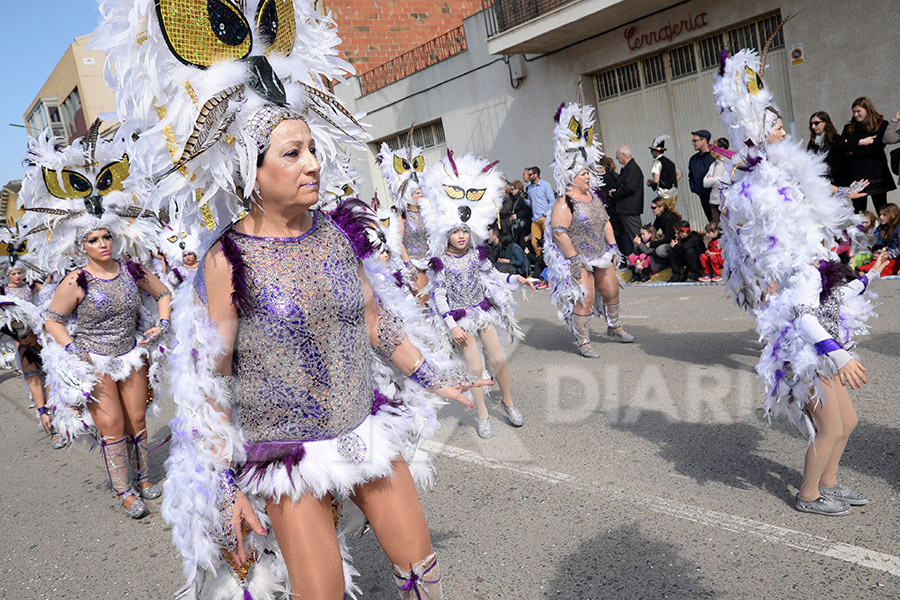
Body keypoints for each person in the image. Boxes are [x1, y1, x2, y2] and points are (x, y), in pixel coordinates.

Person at [715, 43, 884, 516]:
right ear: (752, 131)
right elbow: (746, 241)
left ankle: (827, 483)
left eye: (779, 121)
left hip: (813, 301)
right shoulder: (750, 191)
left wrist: (841, 200)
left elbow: (812, 193)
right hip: (797, 325)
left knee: (845, 421)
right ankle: (808, 495)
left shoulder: (784, 177)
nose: (782, 129)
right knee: (831, 424)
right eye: (771, 124)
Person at [44, 227, 172, 518]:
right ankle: (124, 491)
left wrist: (162, 324)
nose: (102, 244)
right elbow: (53, 320)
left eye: (106, 237)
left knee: (136, 418)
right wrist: (73, 350)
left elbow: (163, 292)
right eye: (93, 240)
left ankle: (142, 477)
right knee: (112, 424)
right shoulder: (77, 280)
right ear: (82, 246)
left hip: (129, 354)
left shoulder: (132, 270)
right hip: (94, 361)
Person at [422, 150, 533, 439]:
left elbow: (493, 275)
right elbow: (440, 296)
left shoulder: (477, 255)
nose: (461, 236)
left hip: (482, 313)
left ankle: (508, 402)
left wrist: (516, 277)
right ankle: (482, 414)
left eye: (464, 232)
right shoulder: (441, 262)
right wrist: (452, 326)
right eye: (455, 232)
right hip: (461, 321)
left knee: (498, 360)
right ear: (444, 234)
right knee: (475, 366)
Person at [545, 101, 634, 359]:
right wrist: (573, 260)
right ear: (571, 176)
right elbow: (559, 232)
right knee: (585, 296)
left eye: (587, 172)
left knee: (611, 290)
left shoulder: (593, 198)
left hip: (600, 253)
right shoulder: (565, 202)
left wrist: (614, 247)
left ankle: (614, 326)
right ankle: (583, 340)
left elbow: (605, 221)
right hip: (579, 257)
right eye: (583, 173)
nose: (588, 177)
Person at [833, 97, 897, 213]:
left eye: (859, 111)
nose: (856, 115)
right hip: (856, 174)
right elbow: (839, 147)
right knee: (859, 210)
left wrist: (851, 150)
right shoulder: (848, 128)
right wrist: (860, 142)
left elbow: (876, 147)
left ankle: (886, 231)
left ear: (868, 110)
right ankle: (860, 231)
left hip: (876, 171)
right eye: (854, 112)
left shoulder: (881, 125)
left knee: (881, 208)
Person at [607, 146, 644, 256]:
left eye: (618, 156)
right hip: (626, 208)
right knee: (632, 235)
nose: (617, 159)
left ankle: (642, 260)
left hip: (630, 208)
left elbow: (629, 187)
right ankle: (637, 258)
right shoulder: (628, 168)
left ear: (623, 155)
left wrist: (615, 193)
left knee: (635, 235)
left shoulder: (632, 169)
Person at [857, 203, 900, 275]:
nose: (881, 217)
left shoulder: (898, 229)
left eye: (884, 215)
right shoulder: (882, 228)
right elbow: (880, 243)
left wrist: (889, 254)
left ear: (893, 215)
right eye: (880, 215)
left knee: (886, 263)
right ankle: (861, 271)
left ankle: (865, 273)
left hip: (896, 255)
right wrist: (877, 251)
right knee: (877, 260)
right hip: (887, 252)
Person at [523, 166, 555, 258]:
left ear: (536, 175)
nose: (528, 176)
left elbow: (551, 200)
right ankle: (540, 259)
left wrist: (545, 214)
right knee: (534, 242)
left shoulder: (546, 185)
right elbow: (531, 203)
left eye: (530, 174)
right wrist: (523, 200)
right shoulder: (529, 188)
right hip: (535, 219)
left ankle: (550, 259)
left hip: (544, 218)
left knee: (548, 240)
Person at [688, 129, 717, 223]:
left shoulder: (714, 156)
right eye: (693, 141)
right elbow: (691, 176)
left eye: (695, 141)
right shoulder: (694, 159)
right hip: (703, 196)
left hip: (716, 196)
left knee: (721, 222)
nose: (693, 143)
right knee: (711, 222)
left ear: (704, 140)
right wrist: (695, 188)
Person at [647, 135, 682, 210]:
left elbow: (656, 180)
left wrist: (650, 183)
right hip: (674, 193)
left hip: (664, 194)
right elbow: (679, 174)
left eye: (652, 150)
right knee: (672, 211)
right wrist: (671, 182)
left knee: (664, 213)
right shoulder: (670, 162)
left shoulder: (657, 163)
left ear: (655, 151)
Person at [647, 199, 681, 273]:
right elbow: (653, 229)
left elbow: (669, 238)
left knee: (660, 250)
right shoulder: (660, 216)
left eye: (653, 208)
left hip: (676, 241)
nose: (651, 210)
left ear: (661, 208)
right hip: (669, 238)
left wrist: (652, 244)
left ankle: (668, 262)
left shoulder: (668, 218)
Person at [703, 138, 730, 223]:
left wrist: (713, 179)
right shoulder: (713, 164)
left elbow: (725, 182)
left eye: (715, 148)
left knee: (726, 224)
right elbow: (705, 183)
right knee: (715, 224)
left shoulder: (729, 163)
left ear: (721, 149)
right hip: (713, 200)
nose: (712, 151)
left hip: (724, 200)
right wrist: (717, 179)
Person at [807, 111, 839, 182]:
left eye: (816, 123)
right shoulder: (812, 142)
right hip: (817, 179)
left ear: (825, 123)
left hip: (833, 179)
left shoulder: (835, 139)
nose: (813, 127)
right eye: (811, 124)